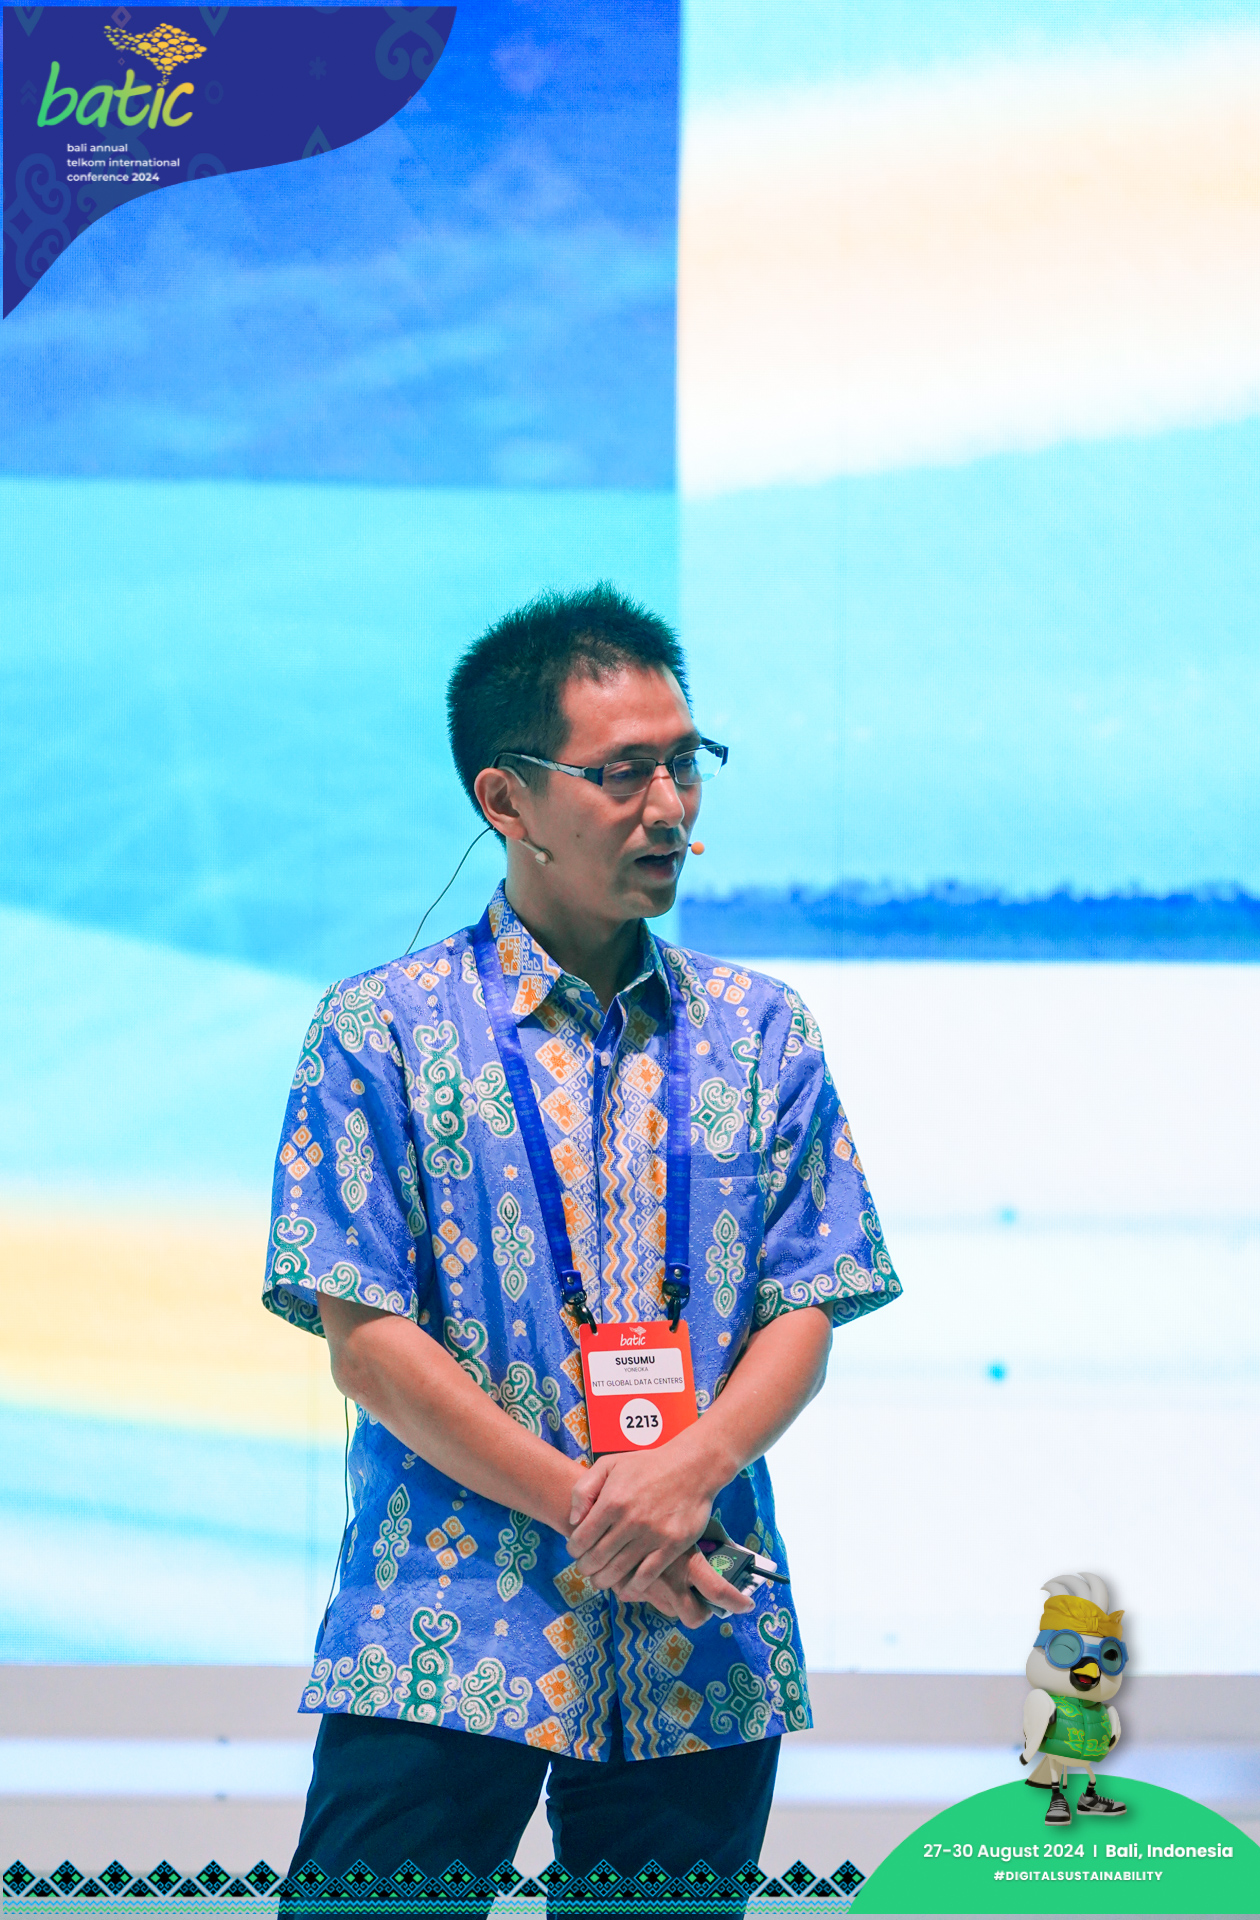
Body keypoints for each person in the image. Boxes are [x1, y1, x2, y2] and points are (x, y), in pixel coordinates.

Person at [266, 583, 902, 1904]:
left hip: (703, 1625)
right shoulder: (381, 1030)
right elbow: (366, 1343)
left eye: (685, 764)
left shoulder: (762, 1029)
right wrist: (603, 1510)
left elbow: (811, 1299)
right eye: (622, 774)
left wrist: (694, 1472)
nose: (670, 807)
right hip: (446, 1624)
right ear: (506, 800)